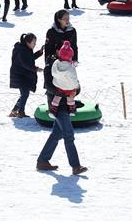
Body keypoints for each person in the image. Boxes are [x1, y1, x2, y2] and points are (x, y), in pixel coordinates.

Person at [37, 40, 87, 176]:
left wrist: (75, 91)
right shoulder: (51, 66)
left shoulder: (68, 65)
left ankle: (42, 160)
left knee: (57, 134)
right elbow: (48, 86)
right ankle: (75, 165)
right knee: (68, 135)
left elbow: (75, 83)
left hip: (64, 102)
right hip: (57, 104)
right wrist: (64, 93)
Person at [9, 33, 43, 117]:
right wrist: (36, 69)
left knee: (24, 94)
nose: (35, 44)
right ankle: (20, 112)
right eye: (34, 43)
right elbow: (25, 64)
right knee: (25, 94)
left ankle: (14, 111)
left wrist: (39, 52)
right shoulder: (22, 51)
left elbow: (30, 58)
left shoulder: (26, 49)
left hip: (22, 75)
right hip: (19, 75)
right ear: (28, 42)